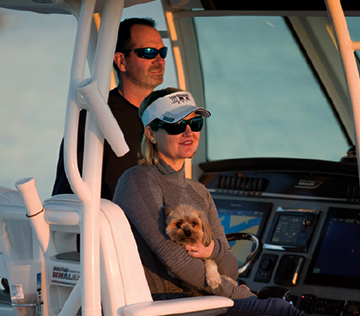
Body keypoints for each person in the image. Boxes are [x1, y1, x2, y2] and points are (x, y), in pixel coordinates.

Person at [112, 88, 311, 316]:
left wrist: (212, 250)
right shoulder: (139, 180)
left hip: (206, 301)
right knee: (281, 311)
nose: (189, 132)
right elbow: (177, 262)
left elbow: (229, 266)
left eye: (195, 123)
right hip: (168, 305)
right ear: (151, 134)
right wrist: (237, 294)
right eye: (176, 126)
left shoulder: (199, 192)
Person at [52, 17, 166, 200]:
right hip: (113, 225)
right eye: (149, 52)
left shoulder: (165, 116)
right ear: (121, 61)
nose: (160, 61)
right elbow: (67, 196)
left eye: (163, 52)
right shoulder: (93, 119)